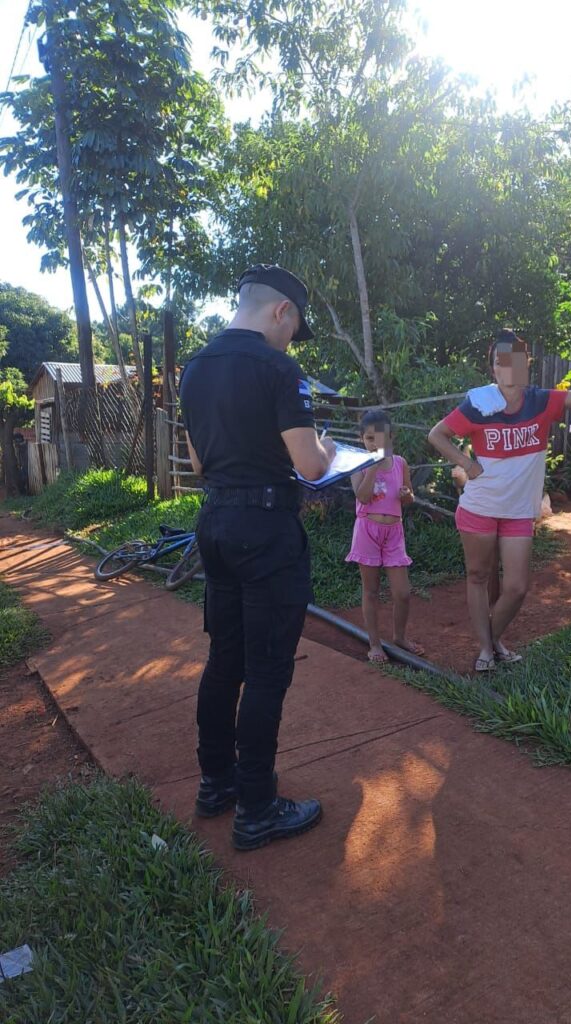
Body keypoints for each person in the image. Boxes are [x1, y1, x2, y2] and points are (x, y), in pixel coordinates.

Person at [180, 263, 336, 851]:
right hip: (266, 530)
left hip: (215, 523)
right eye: (294, 326)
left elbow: (197, 465)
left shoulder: (193, 368)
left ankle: (215, 784)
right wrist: (323, 445)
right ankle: (258, 809)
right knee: (268, 671)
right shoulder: (278, 368)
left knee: (225, 661)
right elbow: (312, 467)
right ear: (281, 312)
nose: (291, 338)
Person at [428, 328, 571, 672]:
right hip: (479, 507)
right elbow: (438, 434)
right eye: (499, 363)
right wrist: (465, 463)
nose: (506, 370)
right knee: (478, 576)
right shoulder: (478, 405)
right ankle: (485, 650)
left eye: (514, 362)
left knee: (518, 587)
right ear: (492, 368)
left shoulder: (540, 401)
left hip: (518, 513)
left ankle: (491, 641)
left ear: (526, 364)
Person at [345, 409, 425, 663]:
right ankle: (374, 643)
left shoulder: (400, 463)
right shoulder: (357, 464)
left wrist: (406, 496)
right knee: (371, 590)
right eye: (369, 439)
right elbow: (363, 496)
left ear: (391, 438)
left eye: (380, 439)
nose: (375, 444)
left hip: (394, 532)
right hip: (367, 530)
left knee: (402, 592)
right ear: (362, 439)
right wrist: (372, 467)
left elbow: (409, 497)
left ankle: (399, 636)